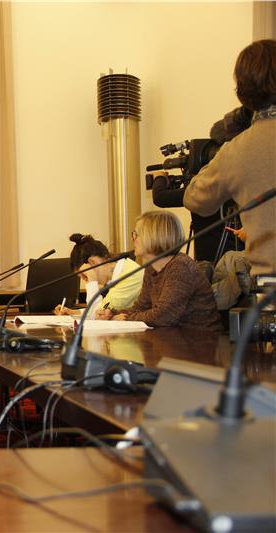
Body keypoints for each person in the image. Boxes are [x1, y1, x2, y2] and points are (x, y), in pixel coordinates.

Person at [182, 39, 276, 279]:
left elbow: (194, 198)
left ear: (243, 92)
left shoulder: (238, 150)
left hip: (270, 287)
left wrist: (230, 141)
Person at [97, 210, 221, 331]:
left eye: (136, 234)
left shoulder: (180, 266)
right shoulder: (151, 267)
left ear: (154, 236)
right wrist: (113, 314)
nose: (133, 239)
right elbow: (142, 307)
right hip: (173, 336)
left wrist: (127, 318)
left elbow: (164, 316)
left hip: (200, 339)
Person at [54, 233, 143, 318]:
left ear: (93, 262)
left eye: (85, 276)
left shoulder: (129, 276)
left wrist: (92, 281)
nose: (86, 280)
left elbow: (98, 316)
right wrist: (73, 313)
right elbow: (100, 310)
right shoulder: (121, 272)